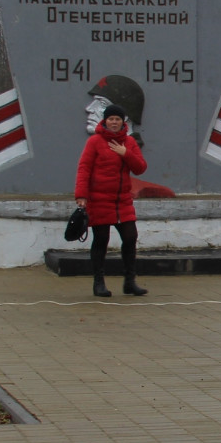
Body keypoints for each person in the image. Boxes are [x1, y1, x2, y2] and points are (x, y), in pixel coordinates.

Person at [75, 103, 149, 297]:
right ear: (105, 121)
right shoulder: (95, 142)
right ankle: (99, 283)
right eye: (111, 119)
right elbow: (84, 168)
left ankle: (129, 282)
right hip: (99, 199)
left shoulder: (130, 142)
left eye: (117, 119)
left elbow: (140, 167)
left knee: (130, 237)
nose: (114, 122)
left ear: (122, 121)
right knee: (101, 240)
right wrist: (81, 195)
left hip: (122, 200)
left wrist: (126, 154)